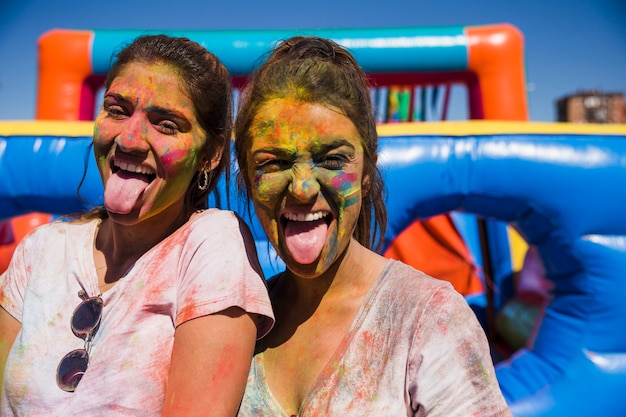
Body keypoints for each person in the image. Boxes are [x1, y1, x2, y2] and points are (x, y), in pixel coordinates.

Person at [233, 36, 511, 416]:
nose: (301, 188)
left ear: (366, 171)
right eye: (274, 162)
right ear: (248, 178)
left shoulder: (427, 317)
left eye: (331, 159)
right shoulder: (237, 326)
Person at [0, 34, 274, 416]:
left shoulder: (210, 245)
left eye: (165, 124)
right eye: (117, 110)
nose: (129, 139)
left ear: (210, 154)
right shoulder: (42, 249)